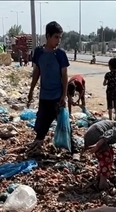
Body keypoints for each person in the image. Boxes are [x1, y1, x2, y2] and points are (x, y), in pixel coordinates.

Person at [27, 21, 70, 151]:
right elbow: (36, 72)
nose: (58, 41)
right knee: (41, 124)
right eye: (56, 37)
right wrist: (31, 91)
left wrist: (64, 95)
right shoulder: (39, 52)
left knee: (64, 125)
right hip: (44, 96)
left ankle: (71, 148)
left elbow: (64, 76)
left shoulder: (60, 54)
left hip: (57, 97)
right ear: (48, 36)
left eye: (60, 37)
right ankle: (38, 144)